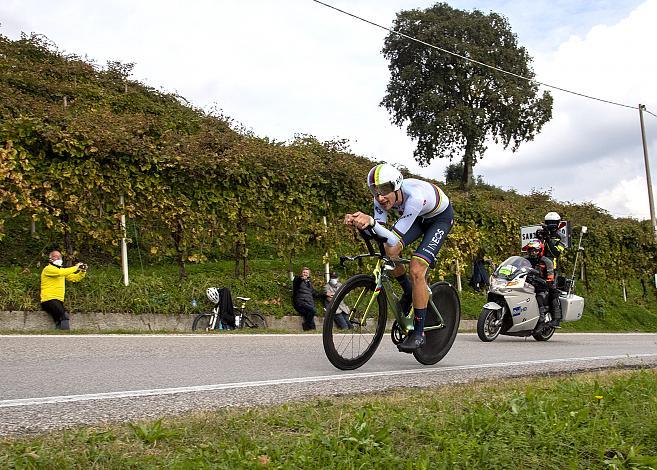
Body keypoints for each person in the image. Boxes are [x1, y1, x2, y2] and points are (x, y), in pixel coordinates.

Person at [344, 163, 454, 353]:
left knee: (417, 268)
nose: (380, 197)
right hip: (419, 218)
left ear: (396, 185)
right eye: (375, 191)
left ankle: (419, 333)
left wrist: (370, 221)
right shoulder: (380, 199)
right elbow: (380, 234)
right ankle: (408, 291)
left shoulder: (414, 198)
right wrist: (359, 223)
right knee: (389, 251)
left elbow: (393, 236)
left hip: (439, 219)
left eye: (385, 190)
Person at [40, 250, 87, 330]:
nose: (58, 258)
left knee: (59, 320)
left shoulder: (61, 271)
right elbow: (61, 272)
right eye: (55, 256)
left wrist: (83, 271)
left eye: (60, 256)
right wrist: (76, 267)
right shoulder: (48, 269)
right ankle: (66, 334)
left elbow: (74, 278)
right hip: (48, 299)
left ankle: (59, 335)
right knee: (64, 316)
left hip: (58, 300)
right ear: (50, 259)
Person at [537, 212, 566, 326]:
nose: (551, 225)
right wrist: (539, 236)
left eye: (554, 223)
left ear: (558, 224)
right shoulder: (542, 233)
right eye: (549, 223)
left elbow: (556, 252)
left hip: (551, 267)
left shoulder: (561, 237)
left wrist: (548, 239)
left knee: (552, 291)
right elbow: (534, 247)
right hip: (537, 265)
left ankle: (556, 318)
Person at [524, 239, 557, 327]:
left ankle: (542, 320)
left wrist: (546, 281)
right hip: (527, 282)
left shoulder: (546, 261)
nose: (533, 252)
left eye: (535, 250)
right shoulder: (524, 259)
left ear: (540, 251)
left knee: (540, 297)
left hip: (542, 285)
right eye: (531, 250)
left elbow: (550, 277)